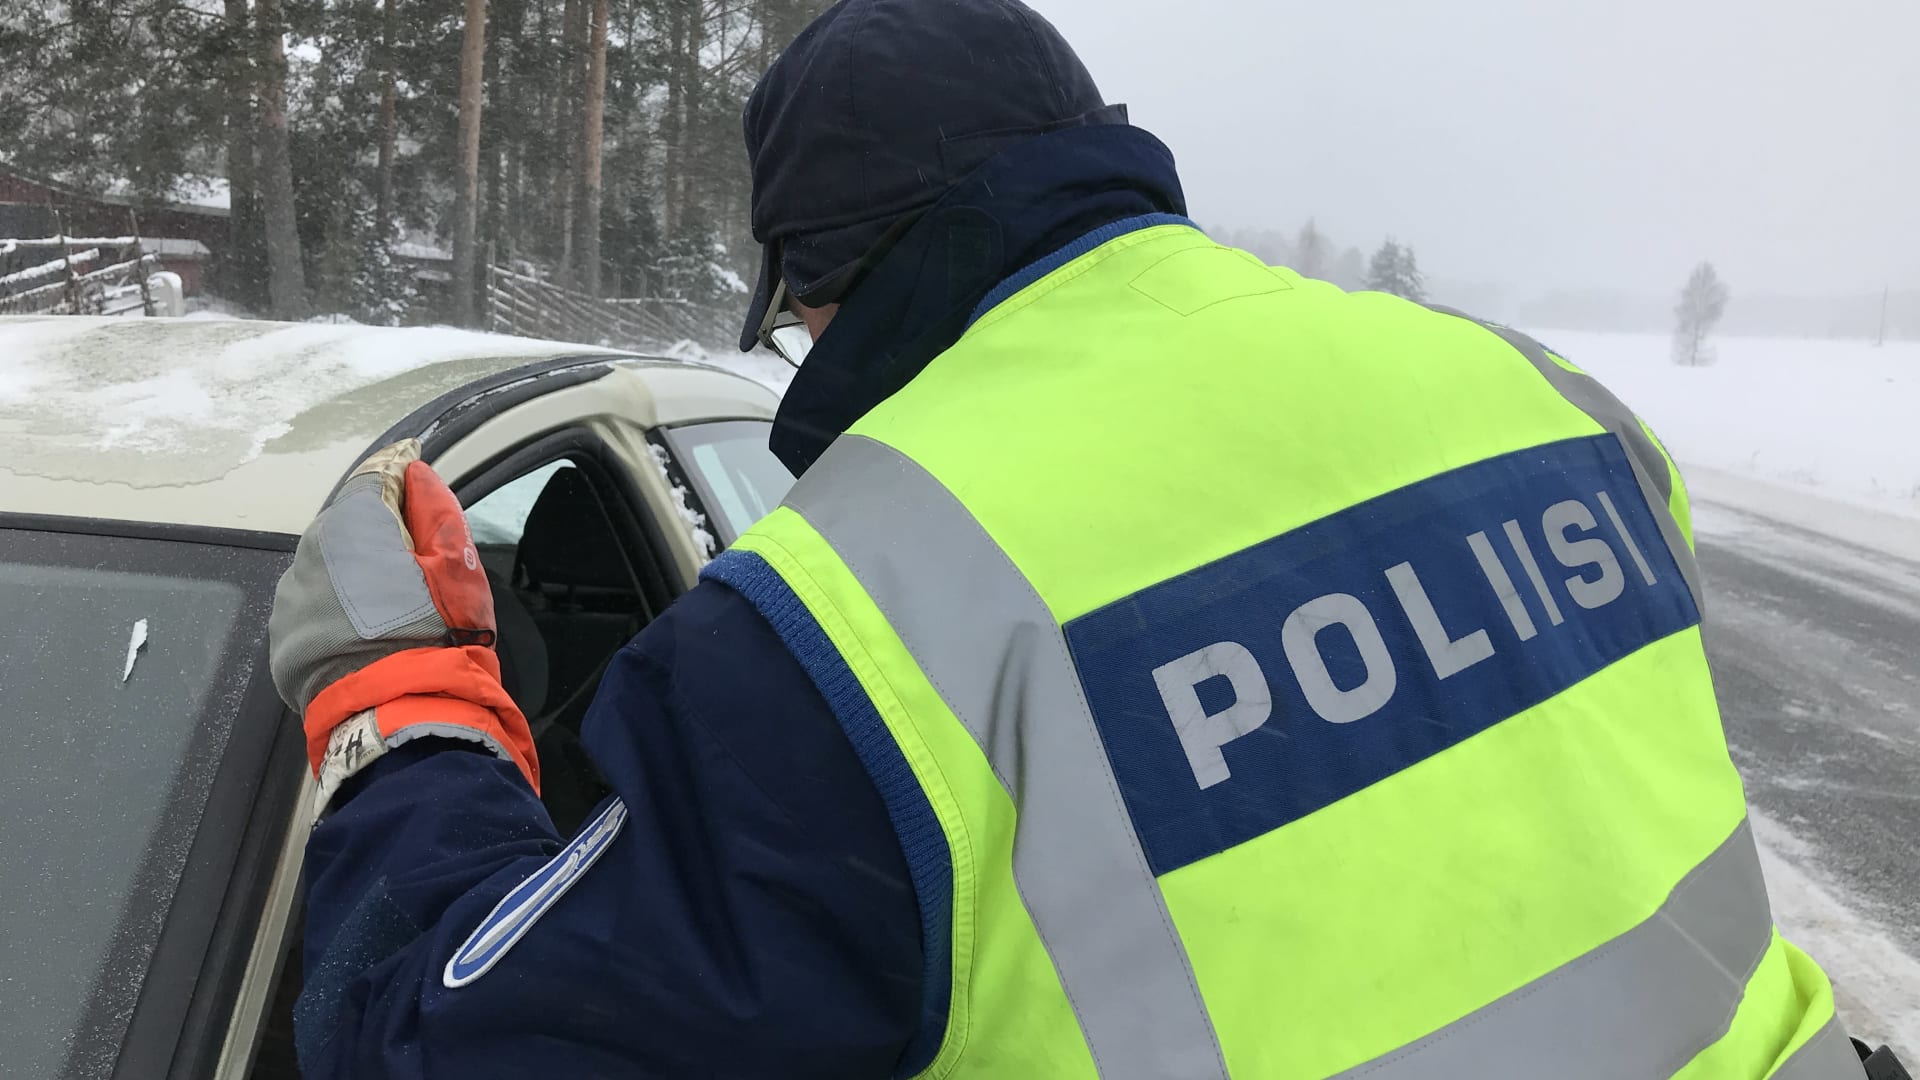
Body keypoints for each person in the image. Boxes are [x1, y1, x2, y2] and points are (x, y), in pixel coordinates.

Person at [271, 0, 1884, 1077]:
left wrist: (403, 716)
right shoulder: (1543, 397)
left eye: (802, 315)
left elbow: (449, 1045)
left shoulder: (855, 623)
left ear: (833, 282)